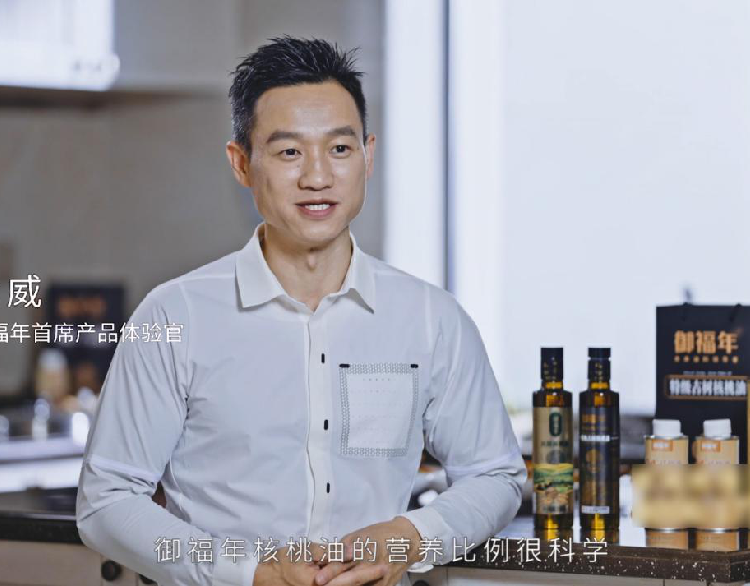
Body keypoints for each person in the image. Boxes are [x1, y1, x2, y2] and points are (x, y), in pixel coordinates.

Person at [76, 36, 526, 586]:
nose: (317, 176)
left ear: (368, 155)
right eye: (289, 152)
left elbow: (495, 476)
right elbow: (107, 501)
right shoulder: (174, 317)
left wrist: (410, 537)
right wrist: (250, 572)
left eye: (339, 149)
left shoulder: (431, 319)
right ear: (242, 163)